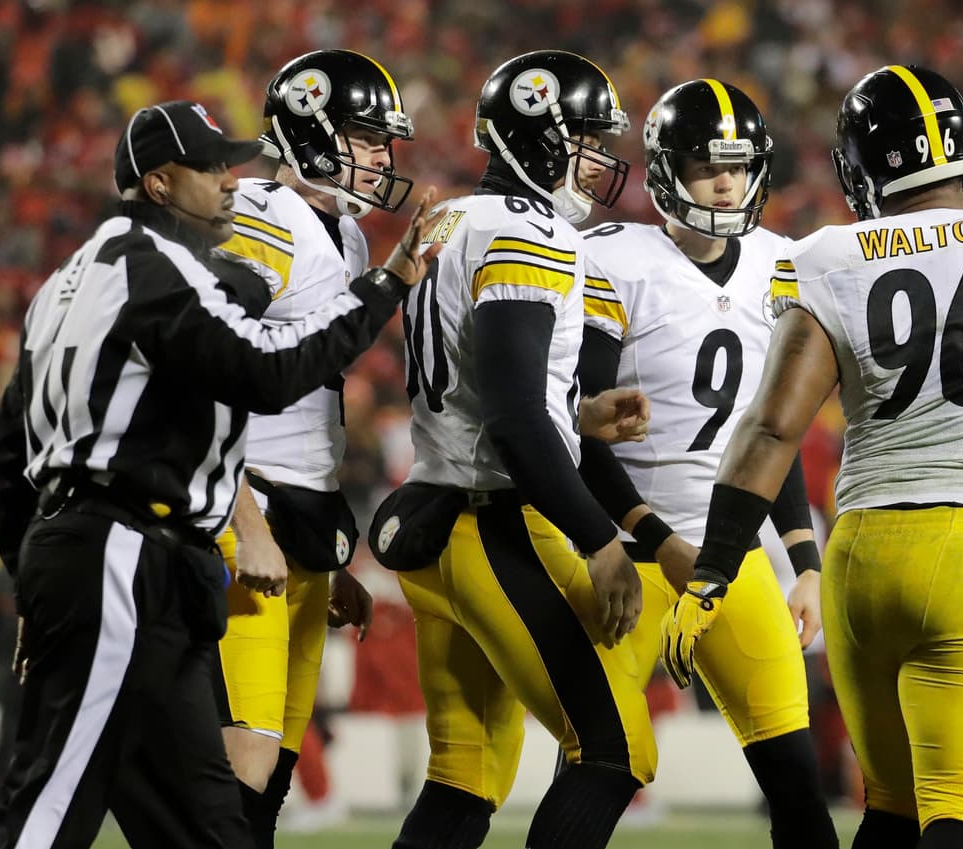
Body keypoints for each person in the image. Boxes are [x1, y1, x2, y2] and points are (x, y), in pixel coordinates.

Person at [660, 64, 963, 849]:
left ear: (861, 163)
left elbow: (769, 430)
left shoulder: (827, 256)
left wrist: (715, 567)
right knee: (960, 823)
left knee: (888, 817)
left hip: (859, 561)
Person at [0, 99, 441, 849]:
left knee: (208, 823)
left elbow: (6, 455)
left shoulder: (69, 279)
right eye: (211, 167)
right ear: (159, 184)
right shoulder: (157, 270)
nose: (231, 181)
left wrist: (30, 578)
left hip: (129, 558)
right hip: (122, 551)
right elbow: (266, 373)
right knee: (49, 805)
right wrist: (384, 288)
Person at [369, 49, 654, 849]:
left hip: (437, 515)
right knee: (615, 748)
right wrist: (599, 538)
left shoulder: (451, 217)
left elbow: (486, 382)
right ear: (541, 139)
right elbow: (514, 415)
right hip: (495, 521)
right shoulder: (526, 233)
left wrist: (582, 412)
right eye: (589, 139)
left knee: (466, 777)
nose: (600, 160)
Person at [576, 79, 837, 849]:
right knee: (603, 766)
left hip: (728, 554)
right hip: (625, 549)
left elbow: (772, 433)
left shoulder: (779, 261)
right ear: (665, 171)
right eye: (703, 164)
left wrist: (804, 561)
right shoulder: (616, 259)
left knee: (796, 777)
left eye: (737, 163)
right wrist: (645, 540)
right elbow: (577, 429)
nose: (725, 181)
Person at [210, 48, 413, 848]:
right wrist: (248, 517)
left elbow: (311, 391)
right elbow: (213, 369)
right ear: (310, 131)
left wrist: (328, 559)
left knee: (277, 762)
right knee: (245, 754)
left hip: (301, 516)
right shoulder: (261, 211)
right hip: (247, 505)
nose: (378, 156)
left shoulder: (350, 240)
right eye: (364, 136)